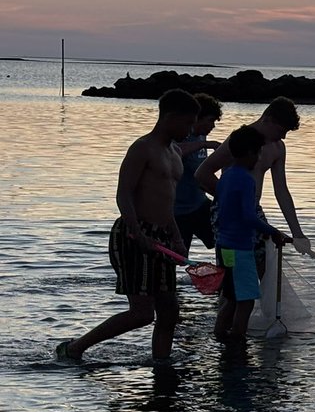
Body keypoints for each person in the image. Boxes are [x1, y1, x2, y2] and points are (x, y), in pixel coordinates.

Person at [56, 89, 200, 363]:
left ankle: (161, 365)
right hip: (133, 235)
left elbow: (166, 204)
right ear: (169, 117)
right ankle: (74, 348)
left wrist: (177, 239)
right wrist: (137, 231)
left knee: (170, 312)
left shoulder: (175, 153)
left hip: (163, 237)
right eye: (187, 123)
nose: (190, 129)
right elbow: (123, 194)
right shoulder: (142, 148)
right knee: (142, 313)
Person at [195, 97, 310, 275]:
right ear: (267, 120)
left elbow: (281, 190)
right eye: (281, 130)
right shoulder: (240, 141)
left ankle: (252, 301)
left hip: (253, 209)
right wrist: (230, 198)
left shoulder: (278, 148)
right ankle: (231, 299)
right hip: (228, 214)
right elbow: (202, 173)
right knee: (232, 273)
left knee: (264, 264)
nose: (283, 136)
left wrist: (298, 233)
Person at [213, 125, 289, 342]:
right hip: (239, 250)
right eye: (257, 153)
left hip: (224, 246)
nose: (258, 158)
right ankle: (237, 339)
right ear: (248, 153)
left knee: (230, 295)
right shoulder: (247, 180)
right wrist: (273, 231)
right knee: (246, 299)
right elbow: (248, 216)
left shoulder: (226, 176)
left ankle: (219, 334)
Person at [173, 93, 222, 255]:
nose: (213, 126)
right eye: (210, 120)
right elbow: (175, 150)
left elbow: (202, 176)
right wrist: (205, 144)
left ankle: (225, 275)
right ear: (197, 118)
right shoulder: (179, 135)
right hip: (177, 212)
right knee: (177, 256)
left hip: (200, 205)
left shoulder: (202, 135)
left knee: (224, 240)